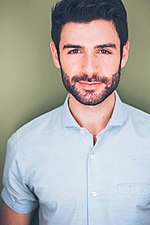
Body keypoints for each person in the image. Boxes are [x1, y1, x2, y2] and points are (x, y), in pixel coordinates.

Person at [1, 0, 150, 224]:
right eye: (74, 50)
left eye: (104, 50)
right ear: (55, 54)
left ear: (124, 53)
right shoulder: (24, 146)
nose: (89, 69)